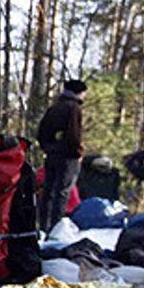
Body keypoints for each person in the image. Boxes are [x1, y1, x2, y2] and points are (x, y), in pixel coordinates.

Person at [37, 78, 87, 233]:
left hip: (52, 155)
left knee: (48, 191)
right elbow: (74, 135)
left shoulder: (54, 108)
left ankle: (44, 228)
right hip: (68, 158)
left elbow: (41, 133)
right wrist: (78, 152)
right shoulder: (73, 109)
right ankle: (56, 229)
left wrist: (48, 148)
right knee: (62, 193)